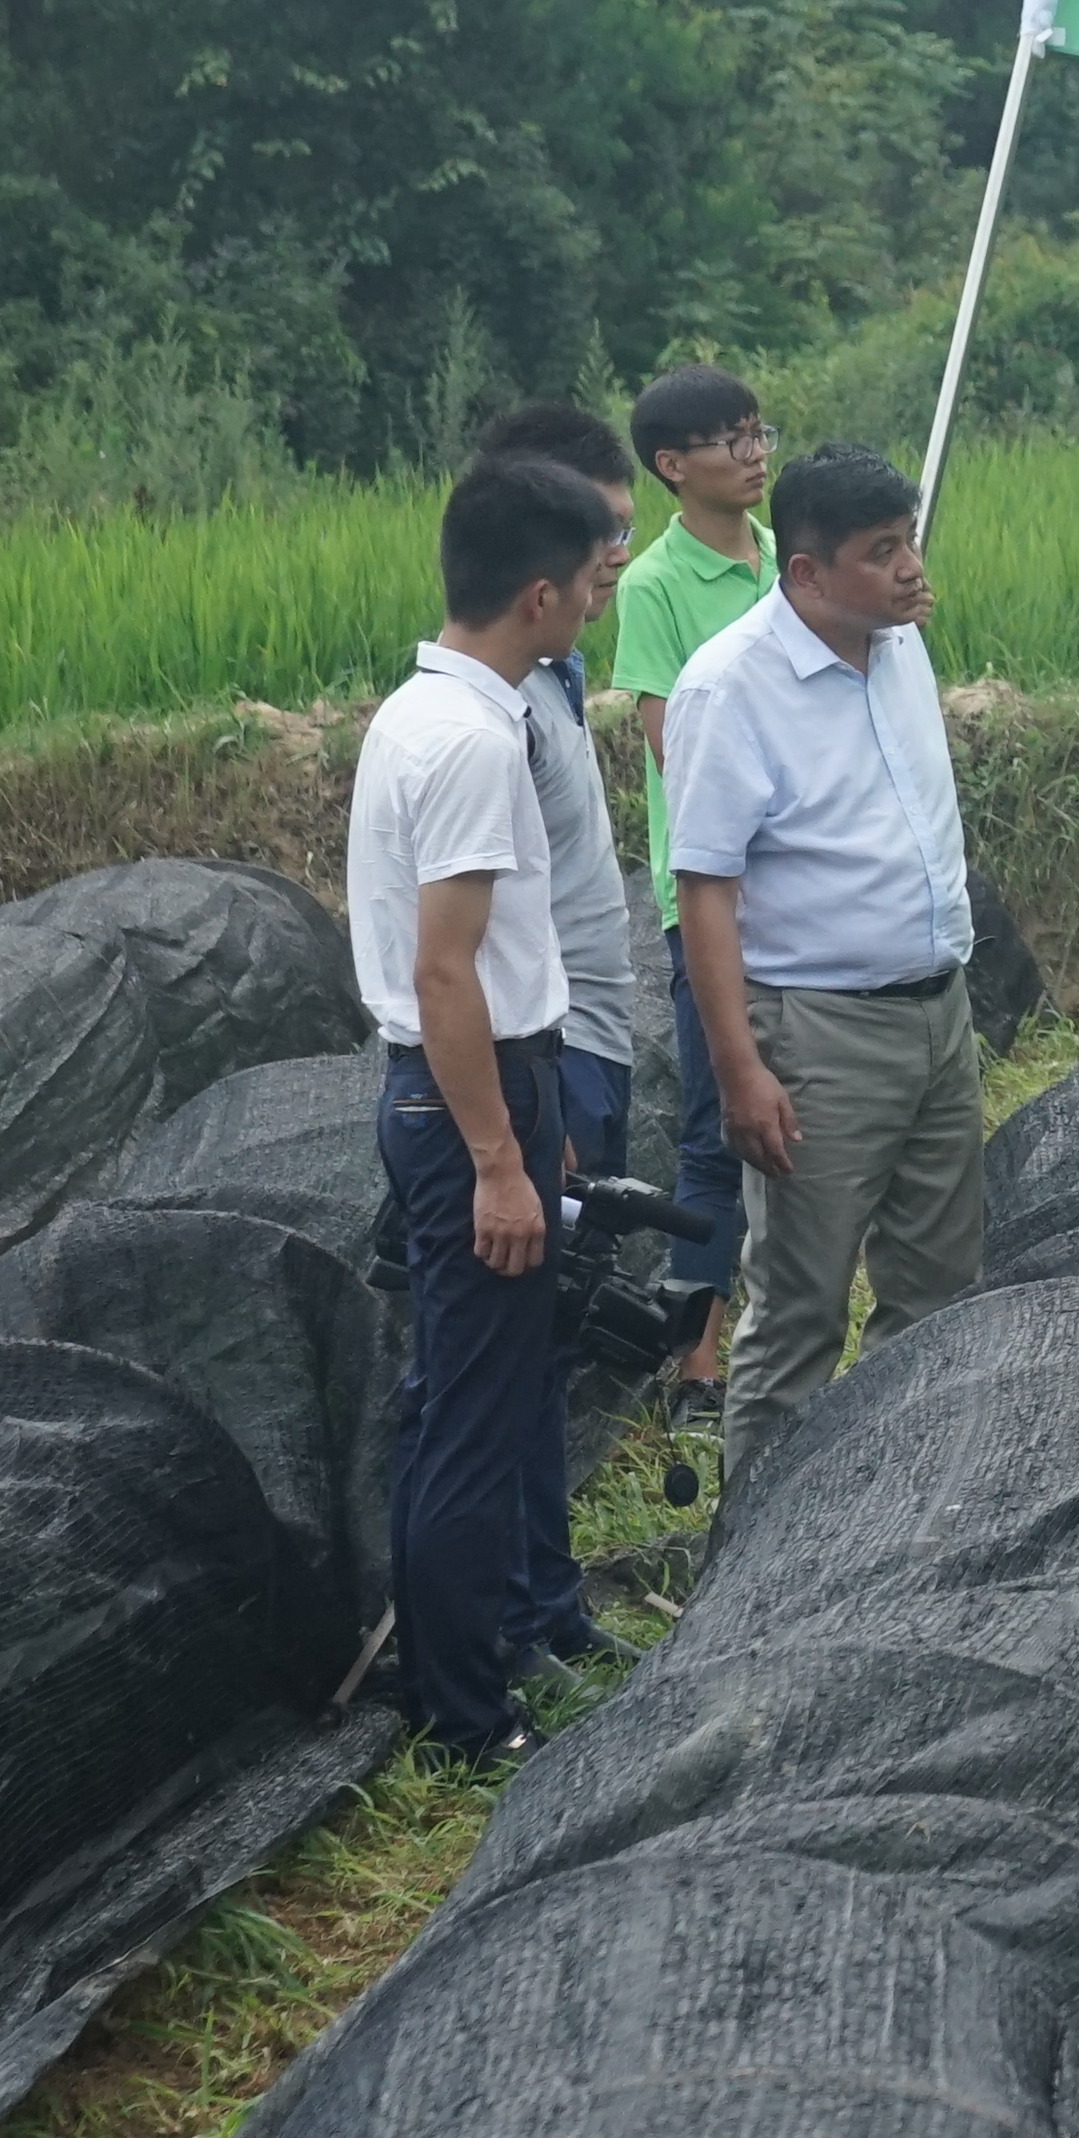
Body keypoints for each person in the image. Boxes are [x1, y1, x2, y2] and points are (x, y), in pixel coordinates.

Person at [348, 452, 628, 1754]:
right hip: (460, 1098)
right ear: (536, 596)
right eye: (591, 583)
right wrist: (500, 1162)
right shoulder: (466, 740)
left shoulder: (428, 711)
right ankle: (465, 1715)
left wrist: (532, 1121)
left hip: (481, 1086)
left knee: (475, 1401)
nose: (597, 604)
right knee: (468, 1418)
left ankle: (473, 1664)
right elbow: (444, 971)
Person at [660, 441, 983, 1477]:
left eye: (909, 543)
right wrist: (739, 1070)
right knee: (799, 1308)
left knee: (934, 1292)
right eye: (880, 551)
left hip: (938, 1014)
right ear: (805, 572)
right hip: (818, 1033)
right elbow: (704, 889)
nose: (908, 569)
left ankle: (888, 1517)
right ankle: (757, 1558)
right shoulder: (730, 686)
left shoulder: (898, 645)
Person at [464, 397, 653, 1654]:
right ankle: (527, 1619)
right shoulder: (496, 712)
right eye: (603, 537)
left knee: (554, 1345)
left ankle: (547, 1593)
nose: (617, 560)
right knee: (519, 1359)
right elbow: (468, 948)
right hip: (553, 1052)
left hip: (593, 1037)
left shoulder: (562, 673)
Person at [608, 365, 780, 1374]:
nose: (754, 454)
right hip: (716, 898)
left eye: (760, 434)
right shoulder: (657, 586)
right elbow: (677, 742)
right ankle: (697, 1360)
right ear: (673, 466)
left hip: (813, 894)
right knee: (720, 1131)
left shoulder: (787, 558)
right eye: (730, 440)